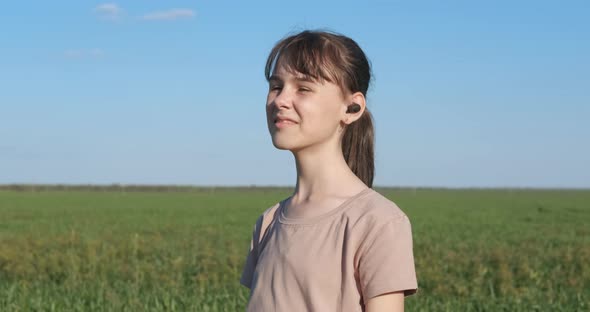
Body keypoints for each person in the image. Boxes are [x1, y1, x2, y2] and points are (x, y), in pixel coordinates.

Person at [239, 29, 418, 312]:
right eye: (276, 86)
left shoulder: (377, 222)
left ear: (352, 107)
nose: (280, 100)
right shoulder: (269, 222)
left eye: (304, 88)